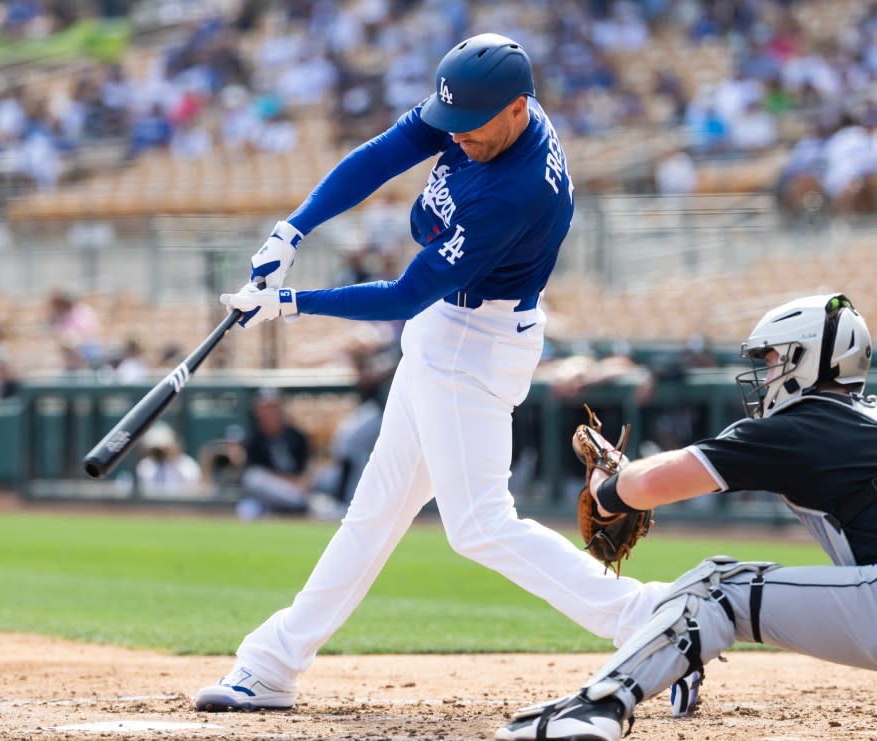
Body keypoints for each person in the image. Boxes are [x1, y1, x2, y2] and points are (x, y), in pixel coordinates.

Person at [197, 34, 668, 712]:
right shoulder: (478, 109)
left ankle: (651, 620)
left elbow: (403, 295)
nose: (457, 138)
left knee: (477, 522)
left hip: (474, 342)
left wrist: (290, 303)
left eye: (472, 128)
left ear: (517, 109)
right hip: (448, 332)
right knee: (375, 512)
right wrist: (291, 232)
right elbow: (385, 152)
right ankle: (272, 661)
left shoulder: (515, 192)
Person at [496, 293, 877, 741]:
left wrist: (604, 489)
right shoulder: (859, 418)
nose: (768, 373)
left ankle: (597, 708)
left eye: (775, 359)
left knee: (717, 587)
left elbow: (650, 485)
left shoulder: (800, 427)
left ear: (808, 358)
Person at [235, 388, 314, 520]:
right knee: (250, 490)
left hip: (298, 488)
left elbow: (306, 468)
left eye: (272, 407)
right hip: (271, 494)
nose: (269, 412)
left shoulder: (296, 436)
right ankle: (296, 506)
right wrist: (289, 483)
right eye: (265, 408)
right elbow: (256, 473)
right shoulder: (254, 440)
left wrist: (302, 482)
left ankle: (291, 507)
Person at [134, 423, 202, 499]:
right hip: (152, 507)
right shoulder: (146, 465)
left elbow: (192, 490)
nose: (160, 452)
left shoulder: (187, 464)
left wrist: (172, 458)